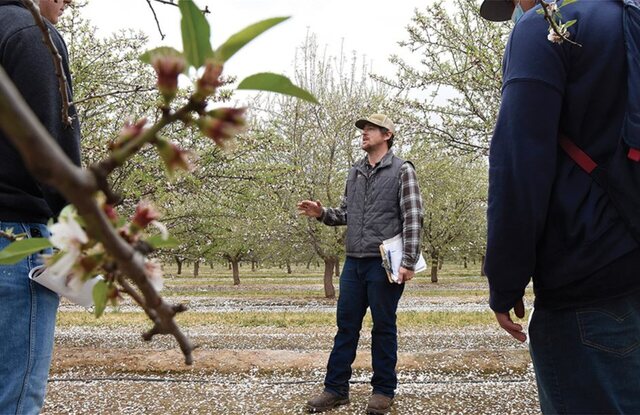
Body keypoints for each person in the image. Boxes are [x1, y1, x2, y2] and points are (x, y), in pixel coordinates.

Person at [481, 0, 640, 413]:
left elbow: (518, 163)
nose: (518, 8)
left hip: (588, 277)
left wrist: (506, 279)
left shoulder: (548, 27)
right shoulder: (627, 17)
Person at [298, 114, 423, 414]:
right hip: (353, 263)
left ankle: (383, 391)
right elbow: (345, 214)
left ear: (387, 134)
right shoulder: (355, 171)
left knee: (383, 327)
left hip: (383, 265)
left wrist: (408, 261)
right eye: (363, 130)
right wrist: (322, 213)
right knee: (346, 327)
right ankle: (336, 389)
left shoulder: (402, 170)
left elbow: (413, 217)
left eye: (370, 129)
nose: (364, 133)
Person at [0, 0, 80, 413]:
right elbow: (52, 155)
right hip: (14, 240)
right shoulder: (32, 35)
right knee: (14, 397)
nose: (69, 2)